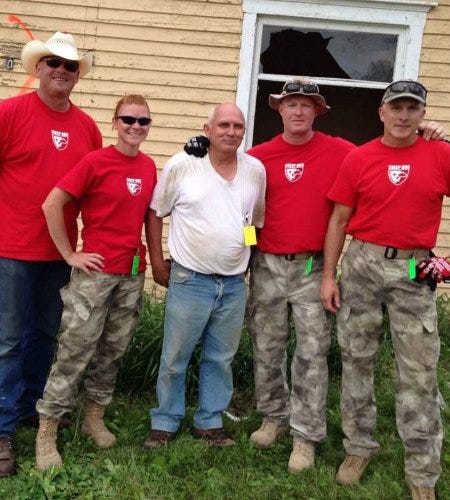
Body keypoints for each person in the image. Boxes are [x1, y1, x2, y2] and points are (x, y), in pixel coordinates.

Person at [183, 79, 445, 474]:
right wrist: (199, 148)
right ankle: (273, 417)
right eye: (291, 104)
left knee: (311, 352)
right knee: (267, 345)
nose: (299, 111)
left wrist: (429, 133)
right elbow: (223, 170)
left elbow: (392, 155)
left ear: (318, 111)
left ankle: (306, 435)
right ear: (280, 109)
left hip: (312, 266)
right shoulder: (256, 158)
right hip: (267, 263)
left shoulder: (344, 152)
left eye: (307, 104)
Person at [320, 80, 450, 500]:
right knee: (357, 360)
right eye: (396, 107)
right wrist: (327, 276)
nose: (403, 115)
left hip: (414, 269)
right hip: (363, 264)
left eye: (413, 108)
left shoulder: (440, 153)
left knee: (418, 371)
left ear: (422, 114)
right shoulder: (359, 158)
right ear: (382, 112)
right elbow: (339, 219)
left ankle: (422, 470)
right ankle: (358, 447)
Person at [34, 94, 157, 470]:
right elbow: (52, 204)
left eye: (143, 121)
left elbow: (151, 216)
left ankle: (93, 417)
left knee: (113, 349)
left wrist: (155, 261)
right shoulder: (95, 161)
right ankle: (47, 431)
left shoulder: (150, 166)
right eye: (128, 120)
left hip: (131, 274)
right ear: (115, 122)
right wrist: (71, 254)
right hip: (95, 275)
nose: (135, 127)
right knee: (75, 349)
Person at [0, 31, 102, 477]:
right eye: (53, 63)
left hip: (62, 253)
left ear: (78, 76)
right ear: (38, 68)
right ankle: (1, 430)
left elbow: (96, 193)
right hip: (11, 247)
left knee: (43, 334)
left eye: (70, 66)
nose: (61, 71)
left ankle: (27, 408)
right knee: (5, 340)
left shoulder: (88, 128)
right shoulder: (10, 113)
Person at [143, 103, 266, 448]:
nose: (231, 131)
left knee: (220, 358)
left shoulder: (255, 170)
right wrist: (157, 261)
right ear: (207, 130)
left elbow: (253, 223)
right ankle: (165, 421)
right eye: (223, 125)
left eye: (238, 126)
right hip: (189, 280)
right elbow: (155, 213)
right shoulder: (184, 165)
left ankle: (210, 420)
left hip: (232, 284)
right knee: (175, 356)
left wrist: (246, 255)